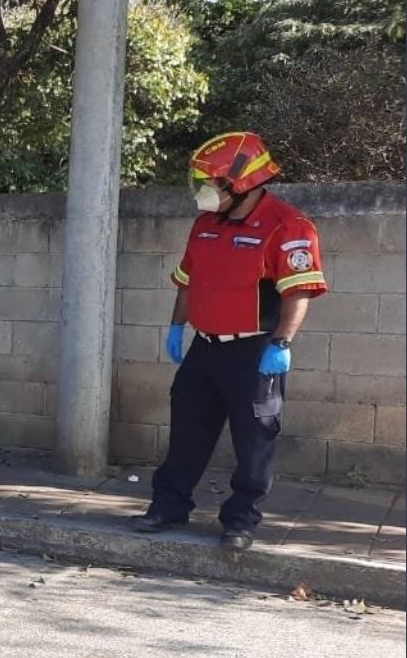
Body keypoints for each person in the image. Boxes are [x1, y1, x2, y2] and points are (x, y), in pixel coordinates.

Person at [133, 132, 327, 551]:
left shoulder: (288, 227)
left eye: (211, 182)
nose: (203, 191)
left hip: (254, 351)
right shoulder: (205, 224)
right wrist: (176, 327)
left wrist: (281, 344)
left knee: (254, 440)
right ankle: (168, 505)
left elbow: (298, 293)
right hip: (205, 347)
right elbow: (187, 282)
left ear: (240, 183)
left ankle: (241, 520)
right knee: (187, 431)